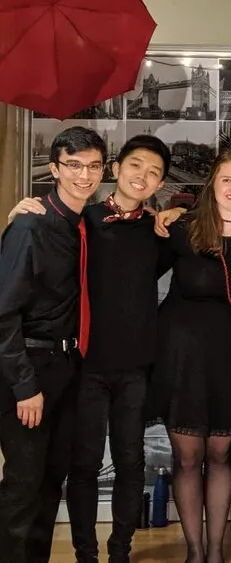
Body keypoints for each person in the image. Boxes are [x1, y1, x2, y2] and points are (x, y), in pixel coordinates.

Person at [6, 135, 174, 563]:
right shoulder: (84, 221)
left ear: (160, 183)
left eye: (154, 172)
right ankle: (85, 554)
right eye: (135, 165)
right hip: (83, 366)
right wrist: (18, 215)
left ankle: (120, 553)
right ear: (116, 169)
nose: (142, 177)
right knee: (76, 466)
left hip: (133, 367)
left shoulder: (159, 231)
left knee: (128, 462)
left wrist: (177, 213)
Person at [147, 149, 231, 563]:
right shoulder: (184, 229)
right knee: (187, 457)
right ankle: (195, 552)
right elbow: (134, 270)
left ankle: (215, 551)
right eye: (226, 180)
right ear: (211, 186)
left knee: (219, 455)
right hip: (182, 359)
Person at [0, 126, 107, 563]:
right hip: (30, 366)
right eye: (74, 165)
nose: (84, 175)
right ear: (55, 168)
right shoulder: (30, 225)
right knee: (23, 485)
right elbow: (4, 313)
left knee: (49, 482)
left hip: (68, 366)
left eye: (94, 166)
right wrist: (24, 385)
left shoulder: (85, 223)